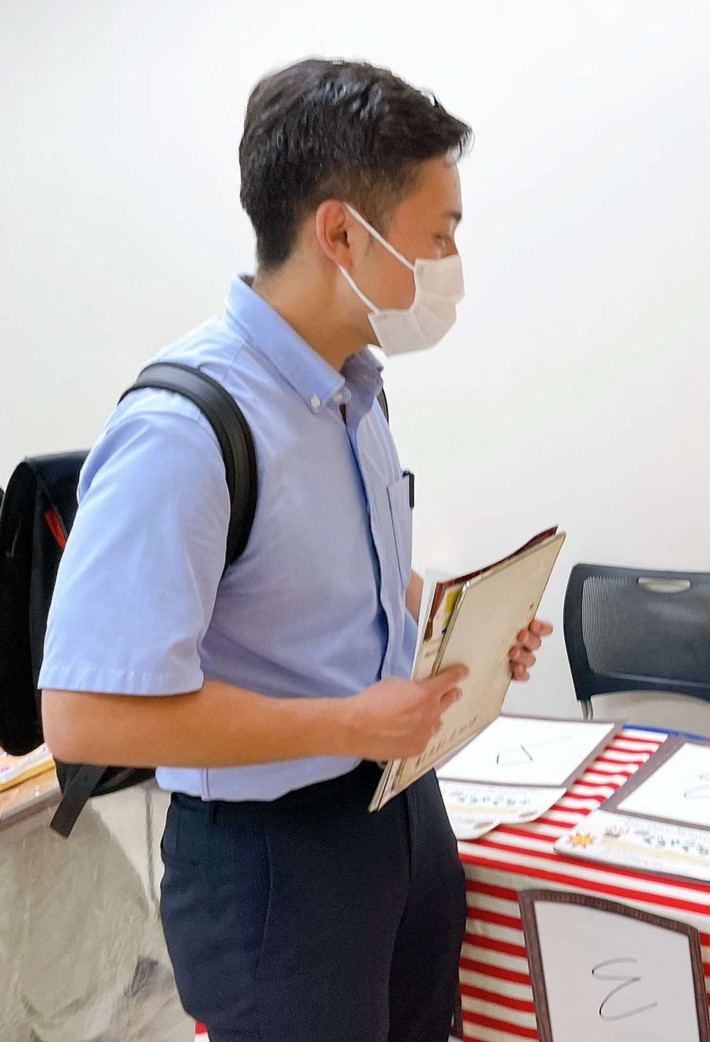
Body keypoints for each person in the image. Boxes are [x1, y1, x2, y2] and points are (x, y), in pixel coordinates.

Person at [38, 58, 549, 1042]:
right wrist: (345, 721)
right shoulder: (186, 426)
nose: (450, 266)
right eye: (438, 236)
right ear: (340, 232)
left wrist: (458, 631)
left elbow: (345, 578)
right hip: (277, 866)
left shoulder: (352, 388)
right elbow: (86, 714)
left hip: (399, 814)